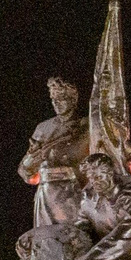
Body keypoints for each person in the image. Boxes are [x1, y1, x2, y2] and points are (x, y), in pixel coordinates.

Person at [18, 76, 88, 226]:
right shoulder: (43, 128)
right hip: (46, 199)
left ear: (73, 99)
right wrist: (32, 158)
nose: (56, 102)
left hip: (74, 197)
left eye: (61, 97)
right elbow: (26, 174)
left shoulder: (88, 126)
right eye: (53, 98)